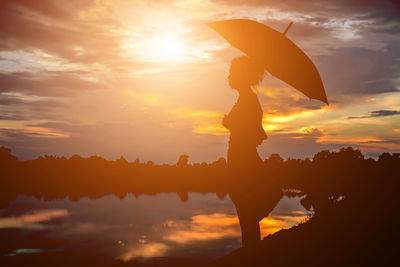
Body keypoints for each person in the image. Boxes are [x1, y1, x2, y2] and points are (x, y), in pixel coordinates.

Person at [223, 55, 281, 248]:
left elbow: (252, 132)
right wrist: (232, 124)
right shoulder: (245, 99)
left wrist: (230, 123)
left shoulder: (249, 100)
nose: (229, 76)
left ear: (242, 76)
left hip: (243, 159)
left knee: (246, 210)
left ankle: (251, 253)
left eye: (232, 73)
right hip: (239, 157)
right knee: (245, 211)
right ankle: (251, 252)